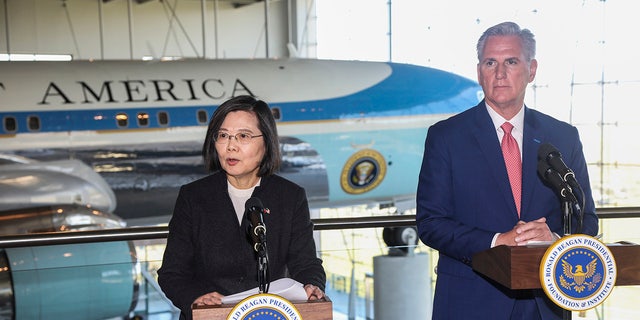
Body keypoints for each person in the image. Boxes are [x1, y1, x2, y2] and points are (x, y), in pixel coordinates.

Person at [416, 21, 599, 319]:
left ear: (532, 69)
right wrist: (497, 241)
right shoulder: (446, 137)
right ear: (479, 72)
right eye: (491, 62)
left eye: (511, 61)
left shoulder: (563, 137)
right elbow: (431, 223)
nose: (499, 73)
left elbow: (587, 219)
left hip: (545, 304)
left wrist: (553, 236)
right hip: (471, 302)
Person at [157, 95, 326, 320]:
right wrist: (196, 298)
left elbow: (305, 263)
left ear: (266, 142)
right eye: (223, 135)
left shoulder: (290, 196)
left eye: (243, 136)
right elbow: (172, 274)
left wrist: (312, 285)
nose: (231, 146)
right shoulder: (193, 197)